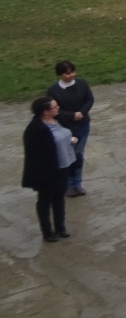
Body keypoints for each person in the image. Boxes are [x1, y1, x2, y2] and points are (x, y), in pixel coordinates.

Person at [22, 96, 74, 242]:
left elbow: (64, 135)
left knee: (59, 199)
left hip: (63, 167)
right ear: (45, 111)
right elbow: (34, 156)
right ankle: (47, 232)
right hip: (47, 173)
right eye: (55, 107)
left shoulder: (58, 119)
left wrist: (72, 139)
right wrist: (44, 175)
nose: (58, 108)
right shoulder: (35, 130)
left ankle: (60, 228)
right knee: (45, 202)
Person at [47, 60, 94, 197]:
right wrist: (72, 115)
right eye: (67, 74)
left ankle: (77, 184)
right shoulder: (53, 91)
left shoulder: (82, 84)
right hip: (64, 127)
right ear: (60, 75)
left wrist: (82, 113)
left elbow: (89, 100)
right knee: (67, 156)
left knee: (78, 154)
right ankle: (67, 185)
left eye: (72, 72)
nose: (71, 75)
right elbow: (54, 110)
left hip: (83, 125)